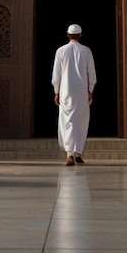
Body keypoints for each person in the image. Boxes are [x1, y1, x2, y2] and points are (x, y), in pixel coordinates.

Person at [51, 23, 97, 166]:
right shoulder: (86, 51)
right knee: (81, 122)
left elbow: (56, 74)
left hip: (65, 92)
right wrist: (90, 90)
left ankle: (70, 154)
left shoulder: (61, 51)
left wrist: (56, 92)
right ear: (80, 35)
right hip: (81, 93)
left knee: (67, 122)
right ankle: (77, 153)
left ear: (68, 35)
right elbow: (92, 73)